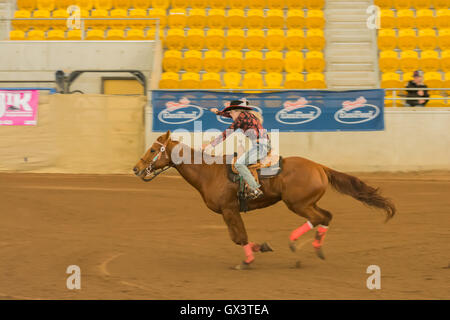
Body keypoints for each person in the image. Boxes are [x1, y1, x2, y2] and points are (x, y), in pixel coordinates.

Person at [203, 99, 270, 200]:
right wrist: (217, 112)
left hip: (260, 146)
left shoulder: (241, 118)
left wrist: (210, 146)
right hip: (261, 145)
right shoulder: (246, 116)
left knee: (239, 164)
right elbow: (229, 116)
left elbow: (227, 132)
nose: (230, 115)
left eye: (231, 112)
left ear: (236, 111)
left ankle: (255, 188)